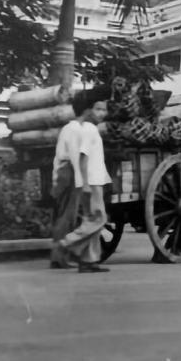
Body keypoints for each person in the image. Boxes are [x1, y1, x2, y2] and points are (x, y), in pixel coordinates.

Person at [51, 87, 111, 273]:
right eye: (98, 109)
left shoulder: (81, 128)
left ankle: (88, 261)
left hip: (90, 179)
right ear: (88, 110)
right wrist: (85, 183)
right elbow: (83, 157)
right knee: (99, 218)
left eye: (104, 110)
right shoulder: (89, 129)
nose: (103, 114)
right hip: (92, 180)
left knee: (91, 218)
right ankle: (67, 243)